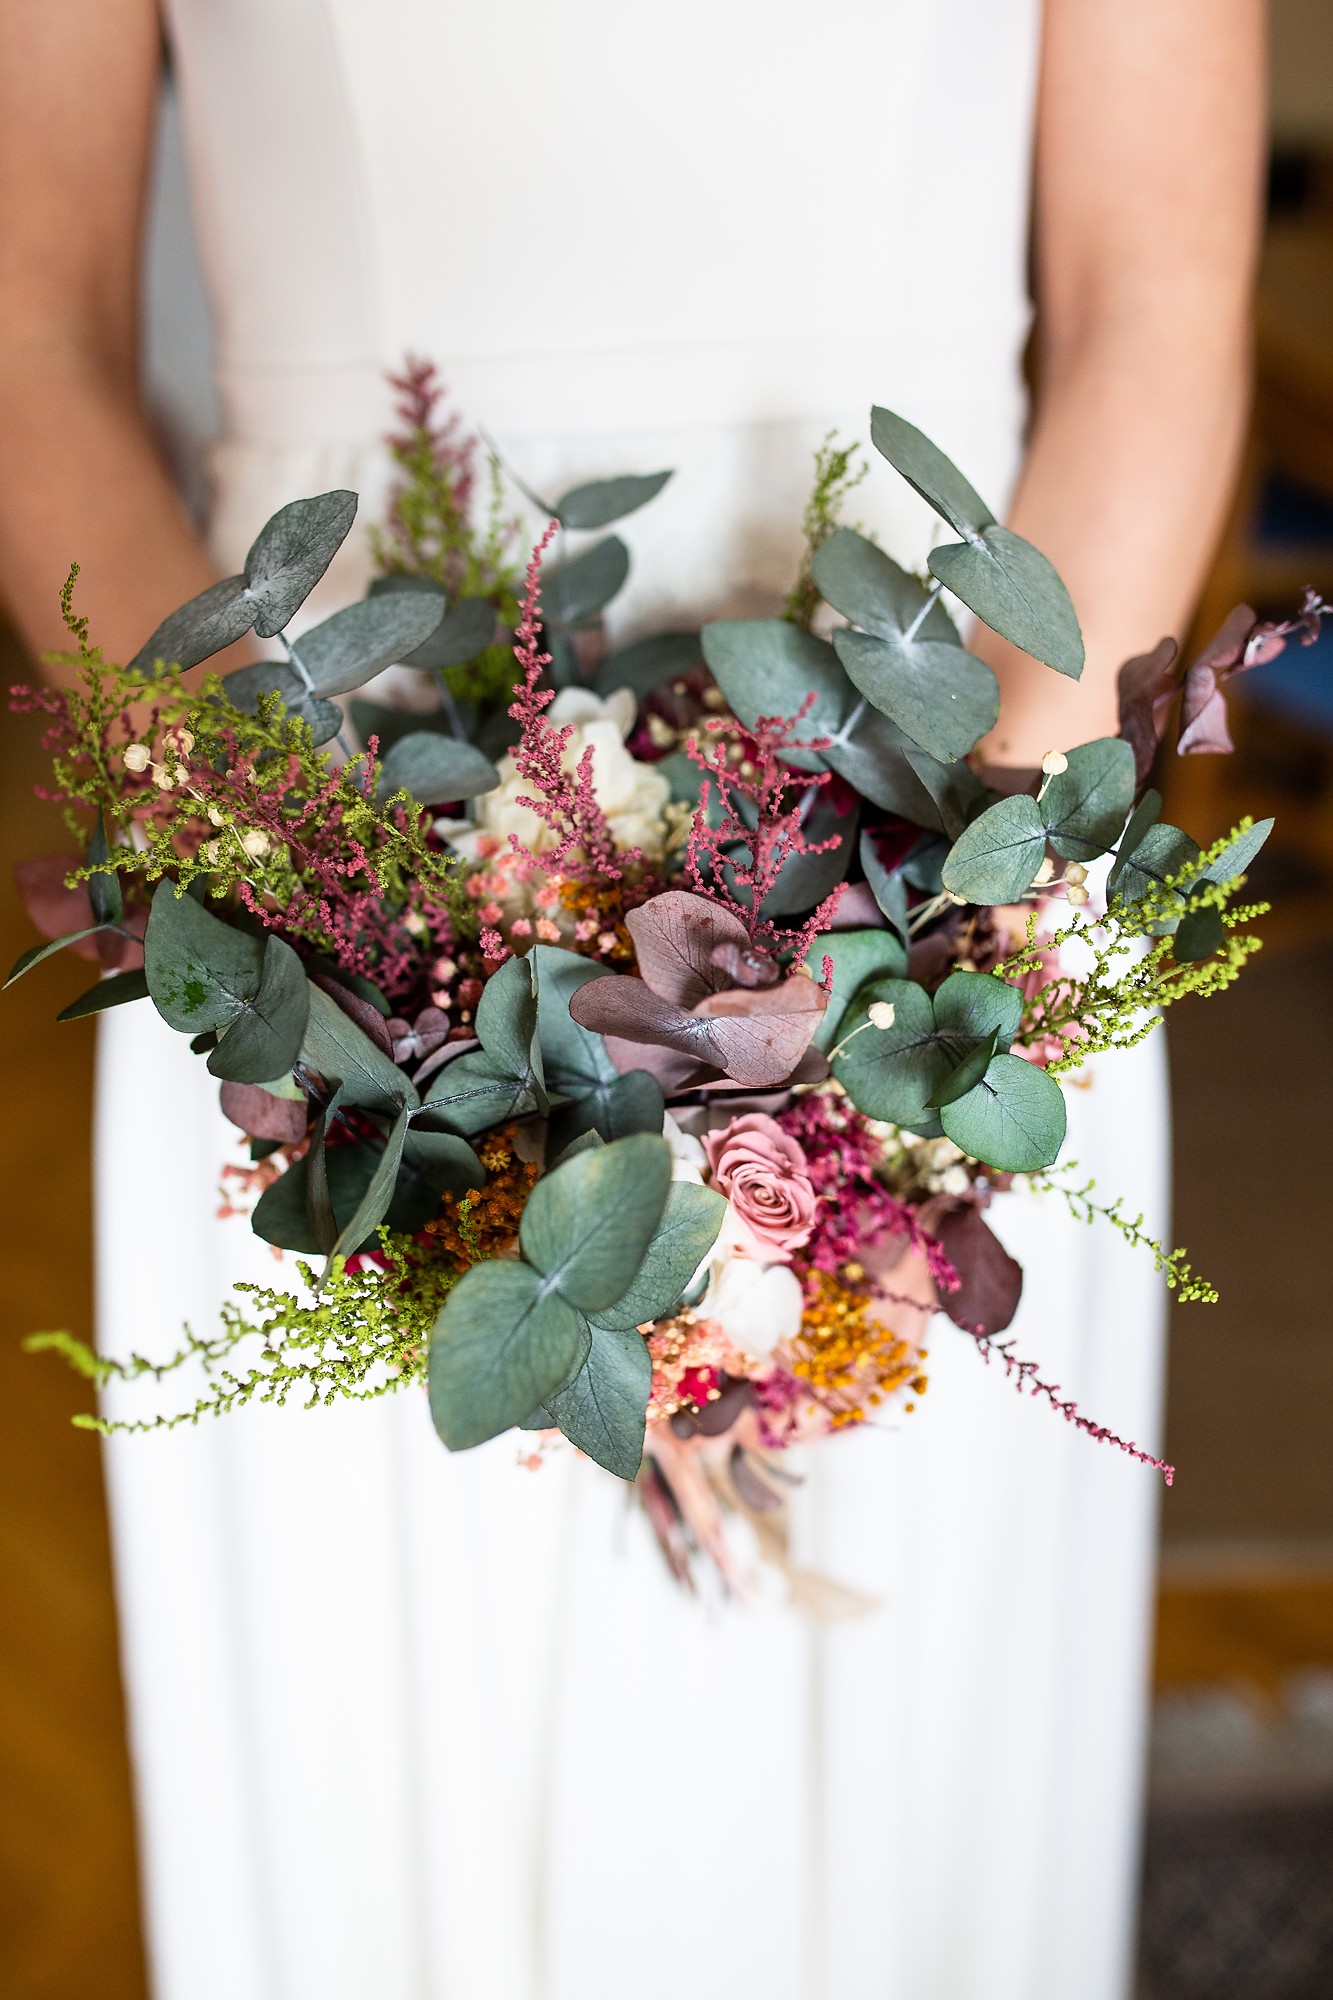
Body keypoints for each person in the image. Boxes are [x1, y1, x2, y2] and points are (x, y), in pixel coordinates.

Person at [0, 3, 1264, 1996]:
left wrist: (915, 948)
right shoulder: (325, 910)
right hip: (317, 849)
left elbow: (1156, 306)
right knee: (384, 1781)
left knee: (899, 1796)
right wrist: (346, 917)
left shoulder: (939, 922)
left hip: (949, 823)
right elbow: (32, 335)